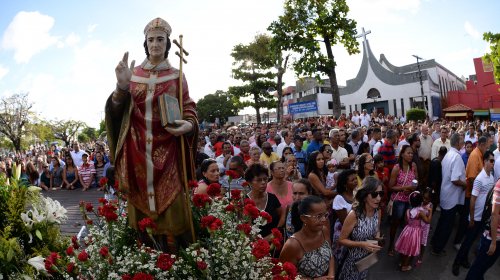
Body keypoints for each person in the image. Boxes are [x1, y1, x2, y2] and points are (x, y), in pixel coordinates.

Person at [106, 17, 199, 248]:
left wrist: (189, 124)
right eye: (151, 39)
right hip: (136, 150)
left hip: (168, 151)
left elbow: (187, 105)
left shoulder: (177, 75)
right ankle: (145, 260)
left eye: (160, 39)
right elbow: (117, 112)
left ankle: (176, 260)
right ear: (145, 43)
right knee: (142, 221)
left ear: (168, 43)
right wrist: (121, 88)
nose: (155, 43)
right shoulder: (132, 73)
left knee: (174, 213)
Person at [453, 150, 495, 276]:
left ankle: (464, 259)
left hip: (483, 217)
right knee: (467, 241)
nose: (493, 163)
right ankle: (456, 263)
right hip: (475, 217)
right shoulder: (479, 179)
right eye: (491, 161)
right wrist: (471, 218)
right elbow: (472, 199)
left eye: (494, 161)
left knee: (471, 242)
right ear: (485, 161)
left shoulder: (491, 177)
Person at [338, 176, 383, 280]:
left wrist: (377, 239)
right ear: (364, 195)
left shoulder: (378, 211)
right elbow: (341, 240)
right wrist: (362, 244)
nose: (379, 198)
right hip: (352, 261)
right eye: (375, 194)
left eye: (381, 194)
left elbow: (377, 229)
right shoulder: (354, 215)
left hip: (367, 259)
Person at [280, 196, 335, 279]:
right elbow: (284, 275)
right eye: (318, 216)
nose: (324, 219)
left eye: (325, 215)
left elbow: (330, 254)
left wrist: (331, 275)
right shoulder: (293, 245)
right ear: (304, 218)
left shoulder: (324, 230)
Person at [431, 133, 466, 256]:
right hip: (451, 197)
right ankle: (438, 248)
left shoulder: (449, 154)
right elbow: (455, 179)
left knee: (442, 221)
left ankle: (435, 242)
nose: (464, 142)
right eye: (462, 140)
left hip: (446, 194)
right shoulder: (456, 157)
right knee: (447, 225)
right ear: (457, 143)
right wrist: (465, 185)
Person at [465, 179, 500, 279]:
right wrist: (493, 242)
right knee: (477, 268)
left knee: (485, 267)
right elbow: (494, 215)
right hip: (491, 238)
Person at [387, 145, 418, 256]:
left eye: (412, 153)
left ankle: (403, 246)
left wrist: (413, 188)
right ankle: (391, 245)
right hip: (399, 200)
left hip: (409, 200)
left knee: (407, 224)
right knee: (395, 223)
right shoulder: (397, 168)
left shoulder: (413, 166)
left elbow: (416, 181)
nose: (411, 155)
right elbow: (391, 186)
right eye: (408, 153)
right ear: (402, 154)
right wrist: (403, 189)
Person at [394, 191, 431, 272]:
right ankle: (405, 266)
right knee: (410, 250)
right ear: (421, 201)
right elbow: (427, 221)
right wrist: (430, 211)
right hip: (415, 233)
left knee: (404, 247)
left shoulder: (408, 211)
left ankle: (401, 262)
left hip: (407, 231)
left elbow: (405, 221)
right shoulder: (420, 212)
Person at [245, 163, 284, 239]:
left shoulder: (272, 198)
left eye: (265, 179)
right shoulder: (245, 201)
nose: (263, 183)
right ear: (249, 182)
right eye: (259, 180)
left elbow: (282, 216)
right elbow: (246, 229)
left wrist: (275, 233)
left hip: (273, 242)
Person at [332, 169, 357, 266]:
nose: (355, 181)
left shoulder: (357, 194)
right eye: (352, 180)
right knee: (342, 260)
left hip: (356, 230)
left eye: (356, 179)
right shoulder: (339, 198)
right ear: (345, 184)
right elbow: (344, 221)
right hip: (344, 232)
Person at [417, 188, 433, 266]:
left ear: (430, 199)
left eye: (426, 199)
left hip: (425, 227)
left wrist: (430, 212)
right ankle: (414, 252)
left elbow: (429, 220)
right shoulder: (419, 203)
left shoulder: (430, 205)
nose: (424, 200)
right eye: (423, 198)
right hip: (417, 225)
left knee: (423, 243)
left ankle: (420, 257)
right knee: (416, 240)